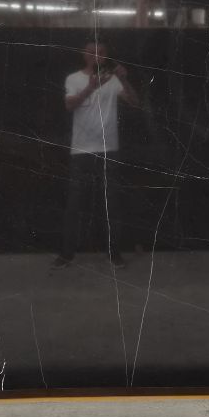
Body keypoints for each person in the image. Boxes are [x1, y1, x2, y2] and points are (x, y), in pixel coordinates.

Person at [54, 39, 139, 269]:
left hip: (108, 149)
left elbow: (134, 102)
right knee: (74, 204)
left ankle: (114, 254)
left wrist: (124, 79)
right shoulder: (73, 78)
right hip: (81, 149)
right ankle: (67, 254)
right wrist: (91, 87)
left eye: (100, 52)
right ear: (84, 54)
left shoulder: (113, 80)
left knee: (111, 203)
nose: (96, 56)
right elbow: (69, 105)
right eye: (91, 52)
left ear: (105, 56)